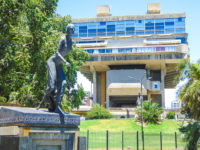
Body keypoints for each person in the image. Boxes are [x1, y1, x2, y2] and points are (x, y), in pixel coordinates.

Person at [37, 24, 75, 116]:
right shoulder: (63, 39)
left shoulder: (71, 42)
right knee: (52, 86)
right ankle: (42, 102)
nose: (72, 30)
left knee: (63, 83)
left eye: (73, 29)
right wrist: (65, 62)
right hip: (52, 62)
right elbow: (57, 52)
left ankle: (57, 107)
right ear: (67, 30)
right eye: (70, 28)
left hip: (59, 64)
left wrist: (64, 62)